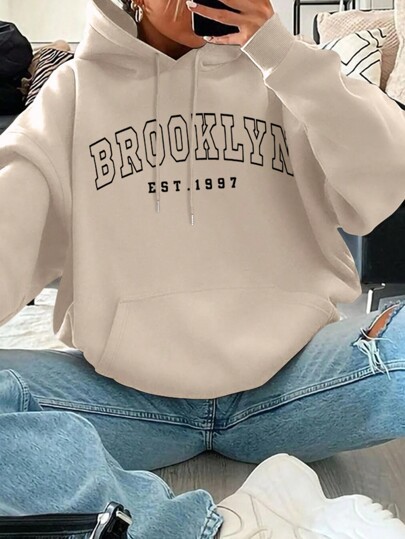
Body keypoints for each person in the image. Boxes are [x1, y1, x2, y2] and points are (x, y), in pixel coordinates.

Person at [0, 0, 405, 536]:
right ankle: (209, 528)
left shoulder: (290, 70)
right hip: (126, 404)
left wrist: (279, 53)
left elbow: (389, 175)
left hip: (299, 385)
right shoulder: (72, 95)